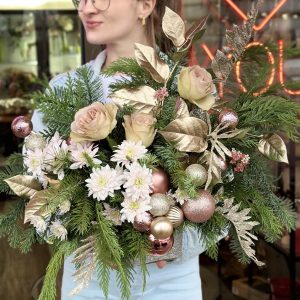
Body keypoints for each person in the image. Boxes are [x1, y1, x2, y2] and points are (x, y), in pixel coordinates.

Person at [31, 1, 223, 299]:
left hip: (171, 282)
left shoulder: (190, 88)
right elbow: (37, 195)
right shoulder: (63, 89)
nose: (86, 8)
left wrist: (170, 241)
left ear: (144, 5)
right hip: (89, 282)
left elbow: (227, 195)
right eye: (80, 0)